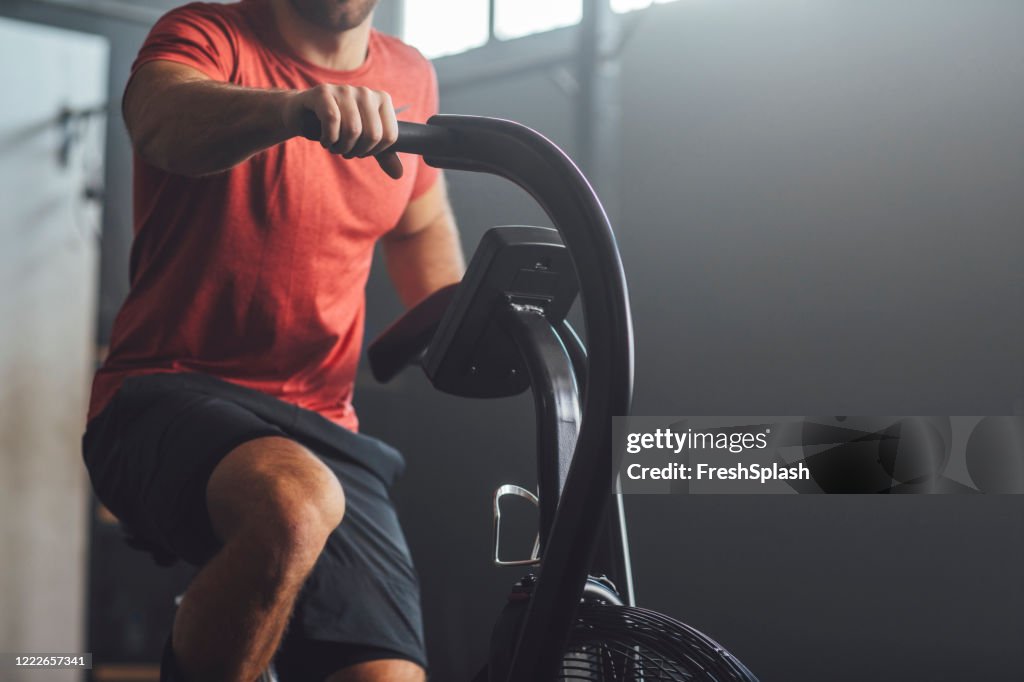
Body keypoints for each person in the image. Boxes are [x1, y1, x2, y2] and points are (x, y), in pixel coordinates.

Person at [81, 0, 465, 680]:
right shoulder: (208, 33)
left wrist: (454, 323)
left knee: (390, 676)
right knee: (293, 506)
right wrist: (292, 111)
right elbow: (160, 122)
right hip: (161, 394)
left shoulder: (411, 76)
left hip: (324, 424)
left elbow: (418, 221)